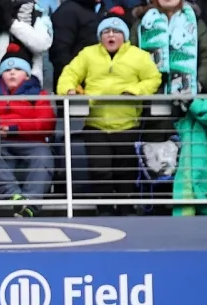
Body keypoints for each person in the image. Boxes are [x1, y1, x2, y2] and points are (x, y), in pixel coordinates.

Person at [57, 16, 161, 204]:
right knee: (99, 170)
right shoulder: (88, 54)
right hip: (96, 124)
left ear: (125, 36)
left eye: (116, 32)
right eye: (106, 32)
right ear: (100, 36)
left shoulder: (139, 55)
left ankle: (125, 208)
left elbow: (153, 78)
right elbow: (69, 73)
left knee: (125, 171)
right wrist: (69, 90)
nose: (111, 35)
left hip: (128, 124)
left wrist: (135, 91)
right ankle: (104, 208)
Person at [0, 55, 54, 207]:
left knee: (43, 156)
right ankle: (13, 197)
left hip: (32, 142)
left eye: (18, 69)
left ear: (27, 75)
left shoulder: (38, 94)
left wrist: (14, 129)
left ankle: (31, 204)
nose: (12, 73)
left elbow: (46, 123)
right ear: (1, 75)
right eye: (7, 70)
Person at [137, 0, 207, 97]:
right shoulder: (142, 22)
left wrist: (199, 83)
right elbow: (130, 58)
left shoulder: (195, 22)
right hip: (146, 98)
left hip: (190, 98)